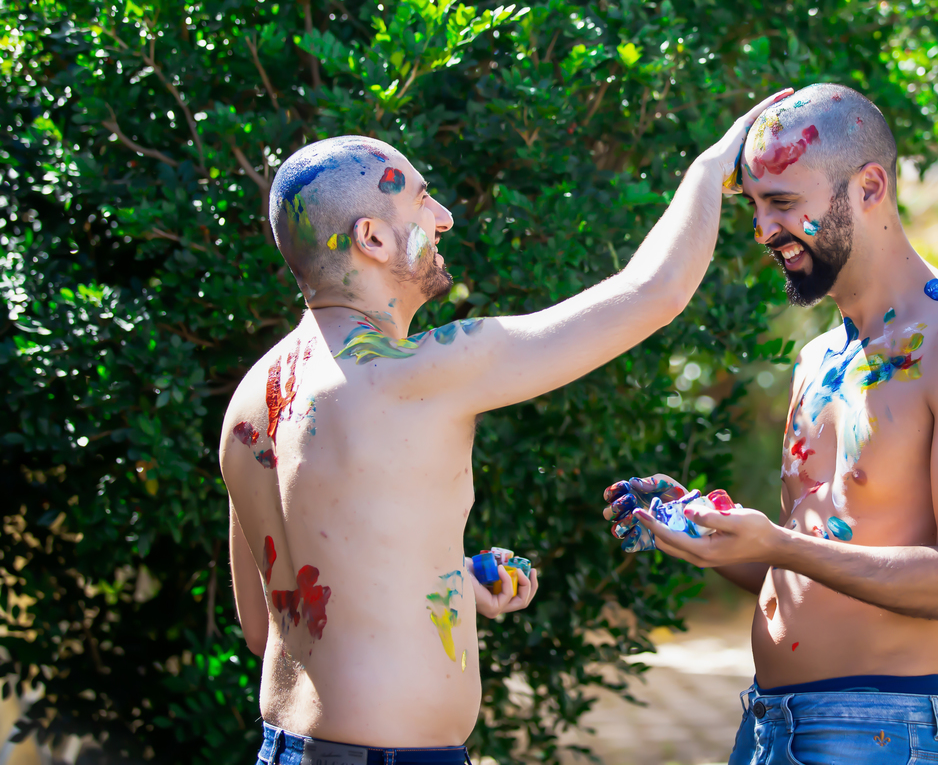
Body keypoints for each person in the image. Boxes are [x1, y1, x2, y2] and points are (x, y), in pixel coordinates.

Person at [220, 89, 794, 764]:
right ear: (371, 239)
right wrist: (710, 169)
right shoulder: (413, 373)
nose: (445, 217)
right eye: (423, 201)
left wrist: (447, 579)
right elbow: (653, 293)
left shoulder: (252, 403)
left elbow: (268, 628)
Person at [604, 84, 938, 765]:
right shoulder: (819, 358)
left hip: (882, 734)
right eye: (752, 204)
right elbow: (810, 574)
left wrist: (778, 544)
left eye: (782, 202)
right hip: (768, 726)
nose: (761, 230)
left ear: (870, 187)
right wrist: (708, 532)